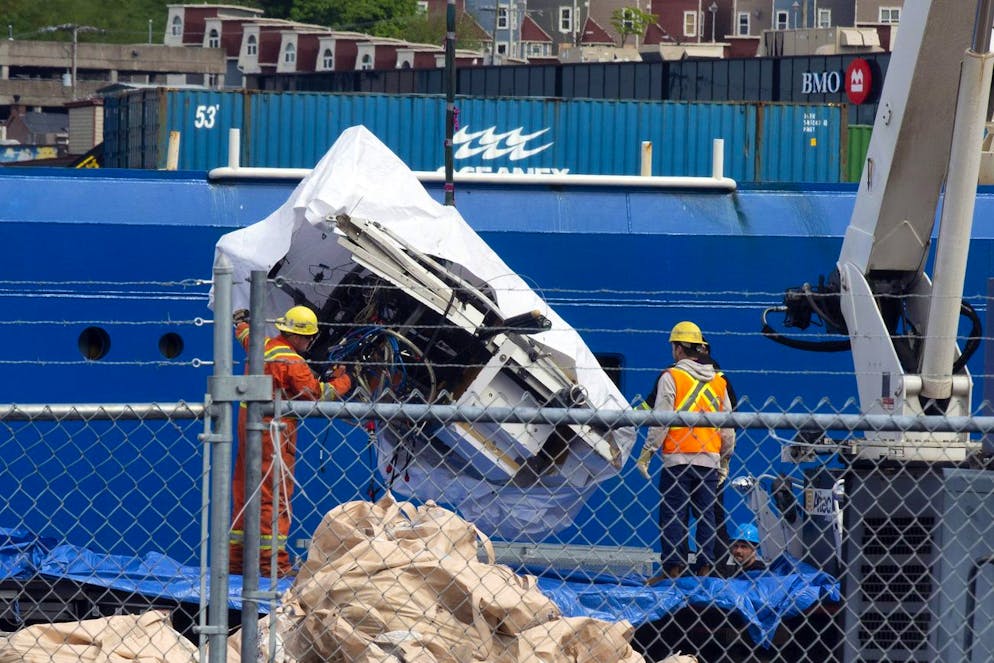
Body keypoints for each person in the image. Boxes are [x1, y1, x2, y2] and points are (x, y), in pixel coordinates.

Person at [229, 305, 352, 578]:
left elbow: (245, 333)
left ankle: (235, 564)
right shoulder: (292, 362)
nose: (310, 343)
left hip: (247, 425)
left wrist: (240, 322)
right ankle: (274, 566)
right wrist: (343, 380)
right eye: (308, 338)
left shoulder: (262, 344)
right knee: (275, 499)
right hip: (274, 432)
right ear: (296, 336)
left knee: (244, 495)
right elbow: (317, 395)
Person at [636, 320, 735, 579]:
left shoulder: (672, 377)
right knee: (707, 516)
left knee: (673, 515)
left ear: (679, 349)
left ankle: (673, 568)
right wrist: (725, 459)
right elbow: (728, 426)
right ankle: (705, 568)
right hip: (709, 460)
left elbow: (662, 419)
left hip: (677, 460)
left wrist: (647, 452)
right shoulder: (719, 382)